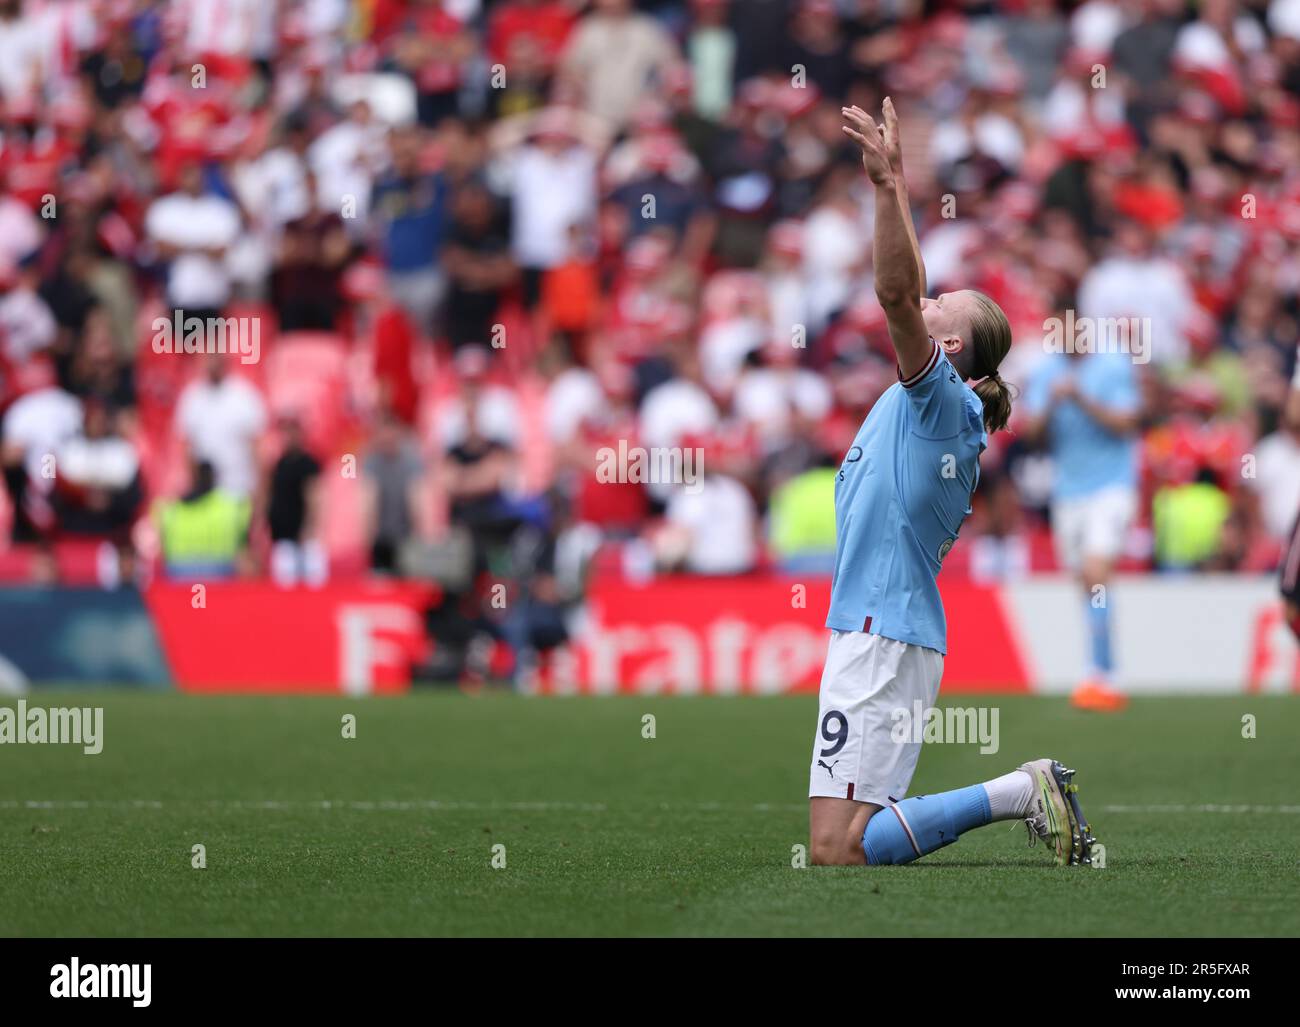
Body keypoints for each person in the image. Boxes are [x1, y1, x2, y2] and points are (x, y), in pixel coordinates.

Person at [808, 102, 1095, 869]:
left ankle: (1018, 791)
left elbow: (898, 292)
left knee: (837, 850)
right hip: (887, 631)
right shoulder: (932, 404)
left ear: (952, 343)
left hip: (883, 635)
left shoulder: (941, 400)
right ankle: (1019, 791)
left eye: (943, 304)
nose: (928, 299)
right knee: (851, 839)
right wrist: (898, 182)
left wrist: (883, 187)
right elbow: (909, 291)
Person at [1022, 313, 1143, 712]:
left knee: (1095, 572)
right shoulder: (1046, 372)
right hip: (1068, 491)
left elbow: (1126, 423)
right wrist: (1052, 405)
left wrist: (1082, 399)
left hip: (1111, 487)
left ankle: (1103, 674)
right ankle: (1100, 665)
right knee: (1085, 582)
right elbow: (1031, 435)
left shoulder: (1112, 365)